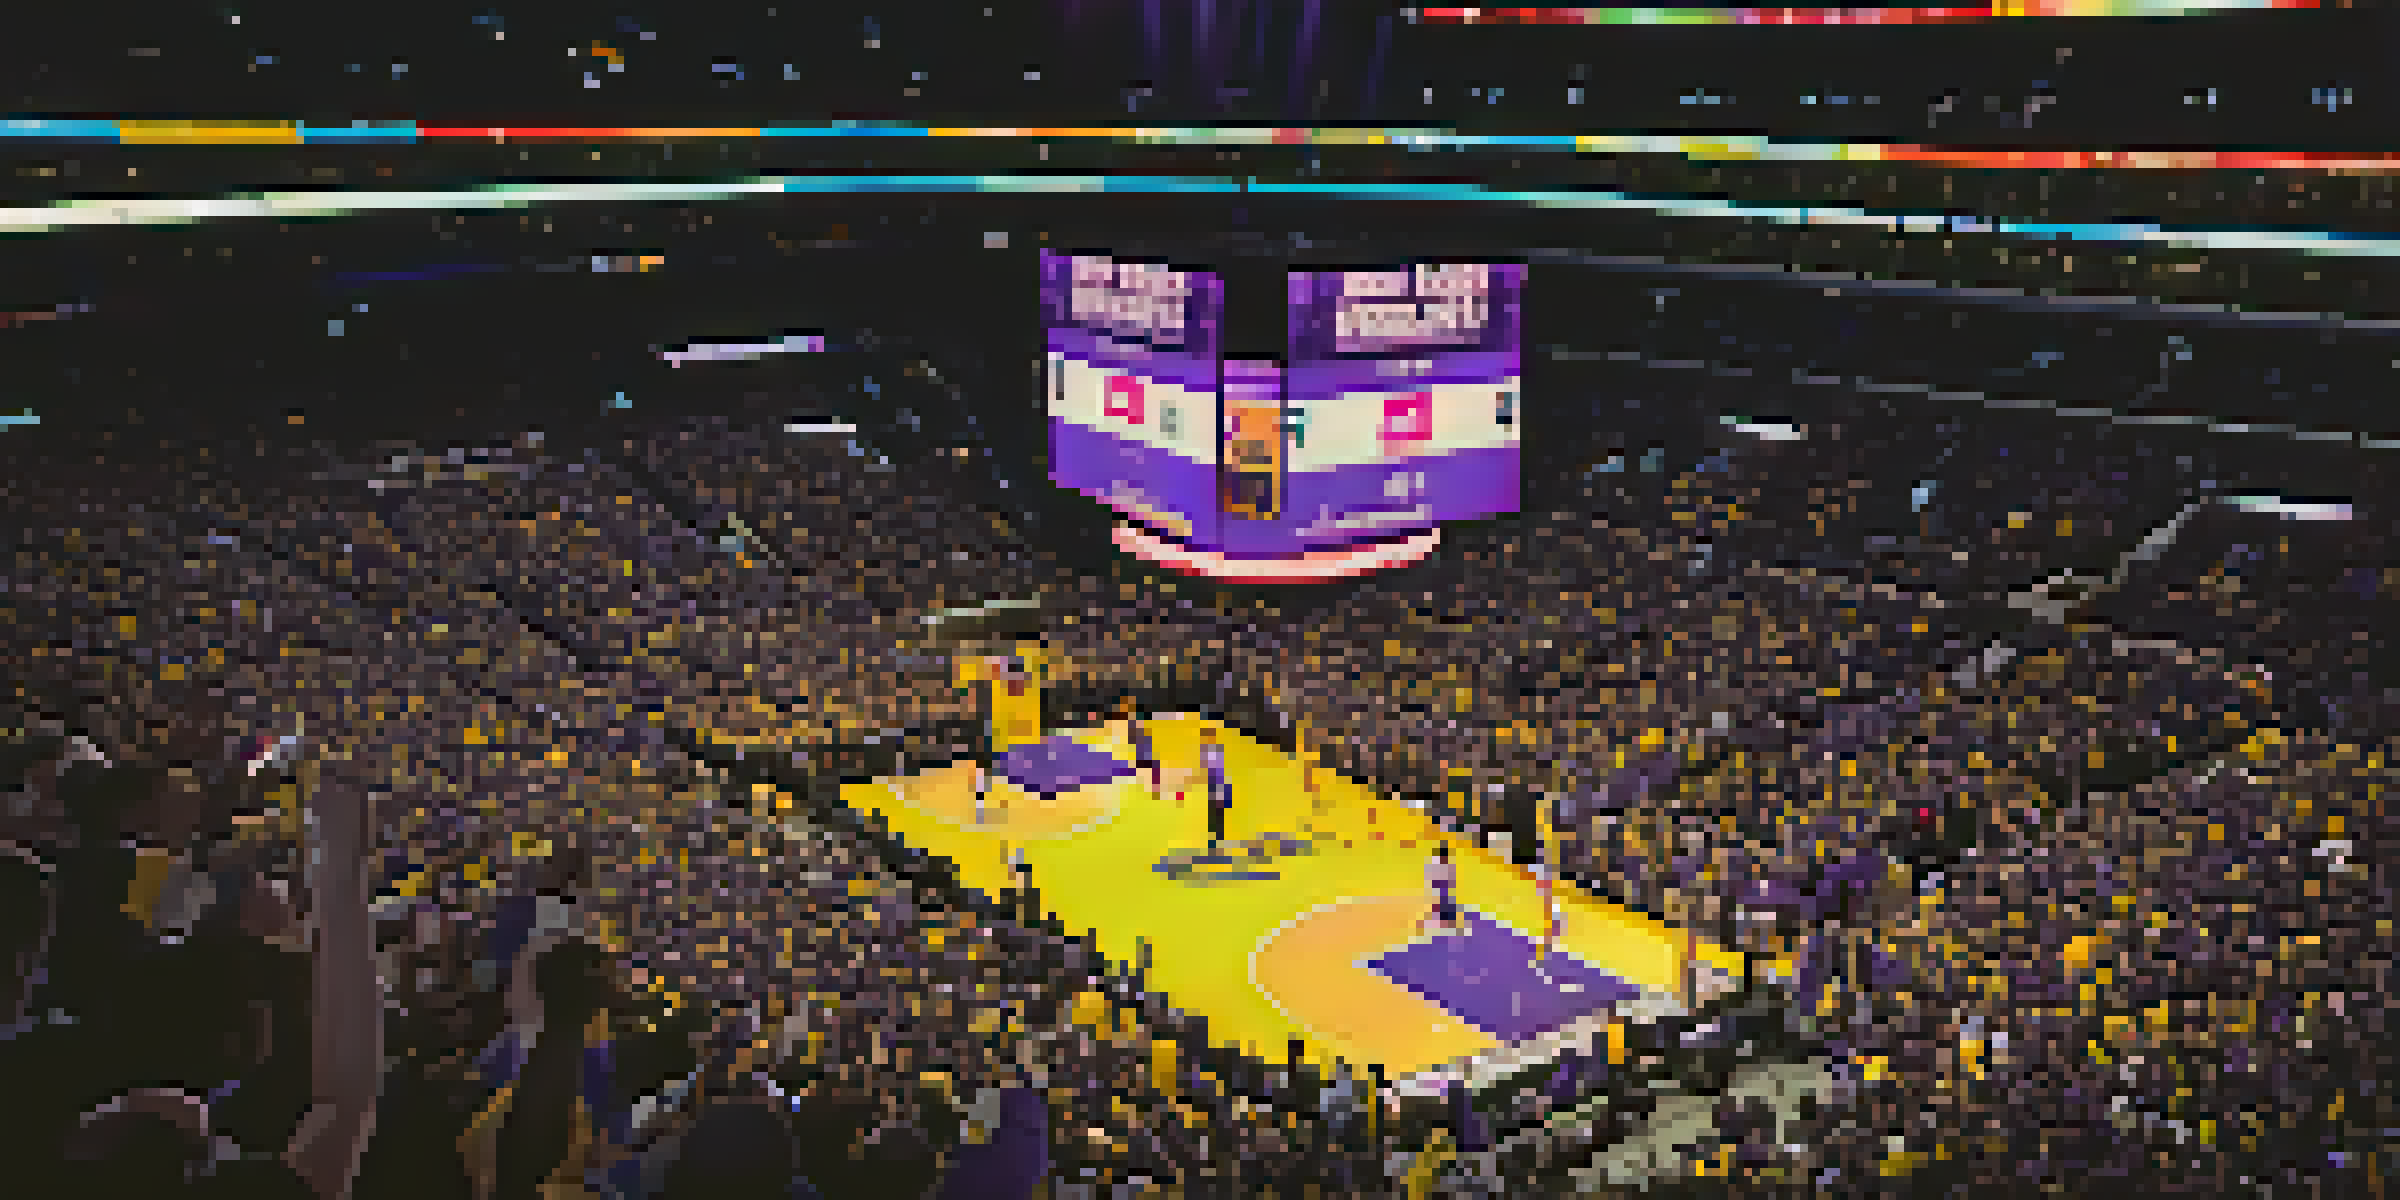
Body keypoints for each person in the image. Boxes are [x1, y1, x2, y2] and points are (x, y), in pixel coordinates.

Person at [1200, 727, 1230, 849]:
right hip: (1214, 787)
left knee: (1217, 814)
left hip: (1217, 787)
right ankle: (1215, 842)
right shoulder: (1210, 751)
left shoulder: (1214, 751)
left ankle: (1216, 842)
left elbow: (1216, 771)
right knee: (1215, 814)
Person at [1423, 843, 1460, 937]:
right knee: (1441, 904)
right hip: (1440, 887)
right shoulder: (1438, 864)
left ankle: (1446, 924)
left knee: (1443, 904)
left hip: (1442, 888)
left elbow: (1451, 878)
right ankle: (1443, 925)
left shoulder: (1442, 864)